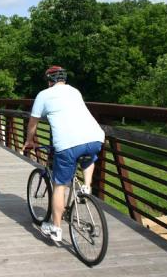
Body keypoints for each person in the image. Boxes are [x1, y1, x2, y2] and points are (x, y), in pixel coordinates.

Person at [23, 65, 105, 242]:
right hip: (95, 137)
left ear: (49, 80)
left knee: (60, 185)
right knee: (89, 156)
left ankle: (56, 229)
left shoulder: (43, 95)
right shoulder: (75, 91)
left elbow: (32, 123)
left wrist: (30, 140)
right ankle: (87, 187)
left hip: (68, 145)